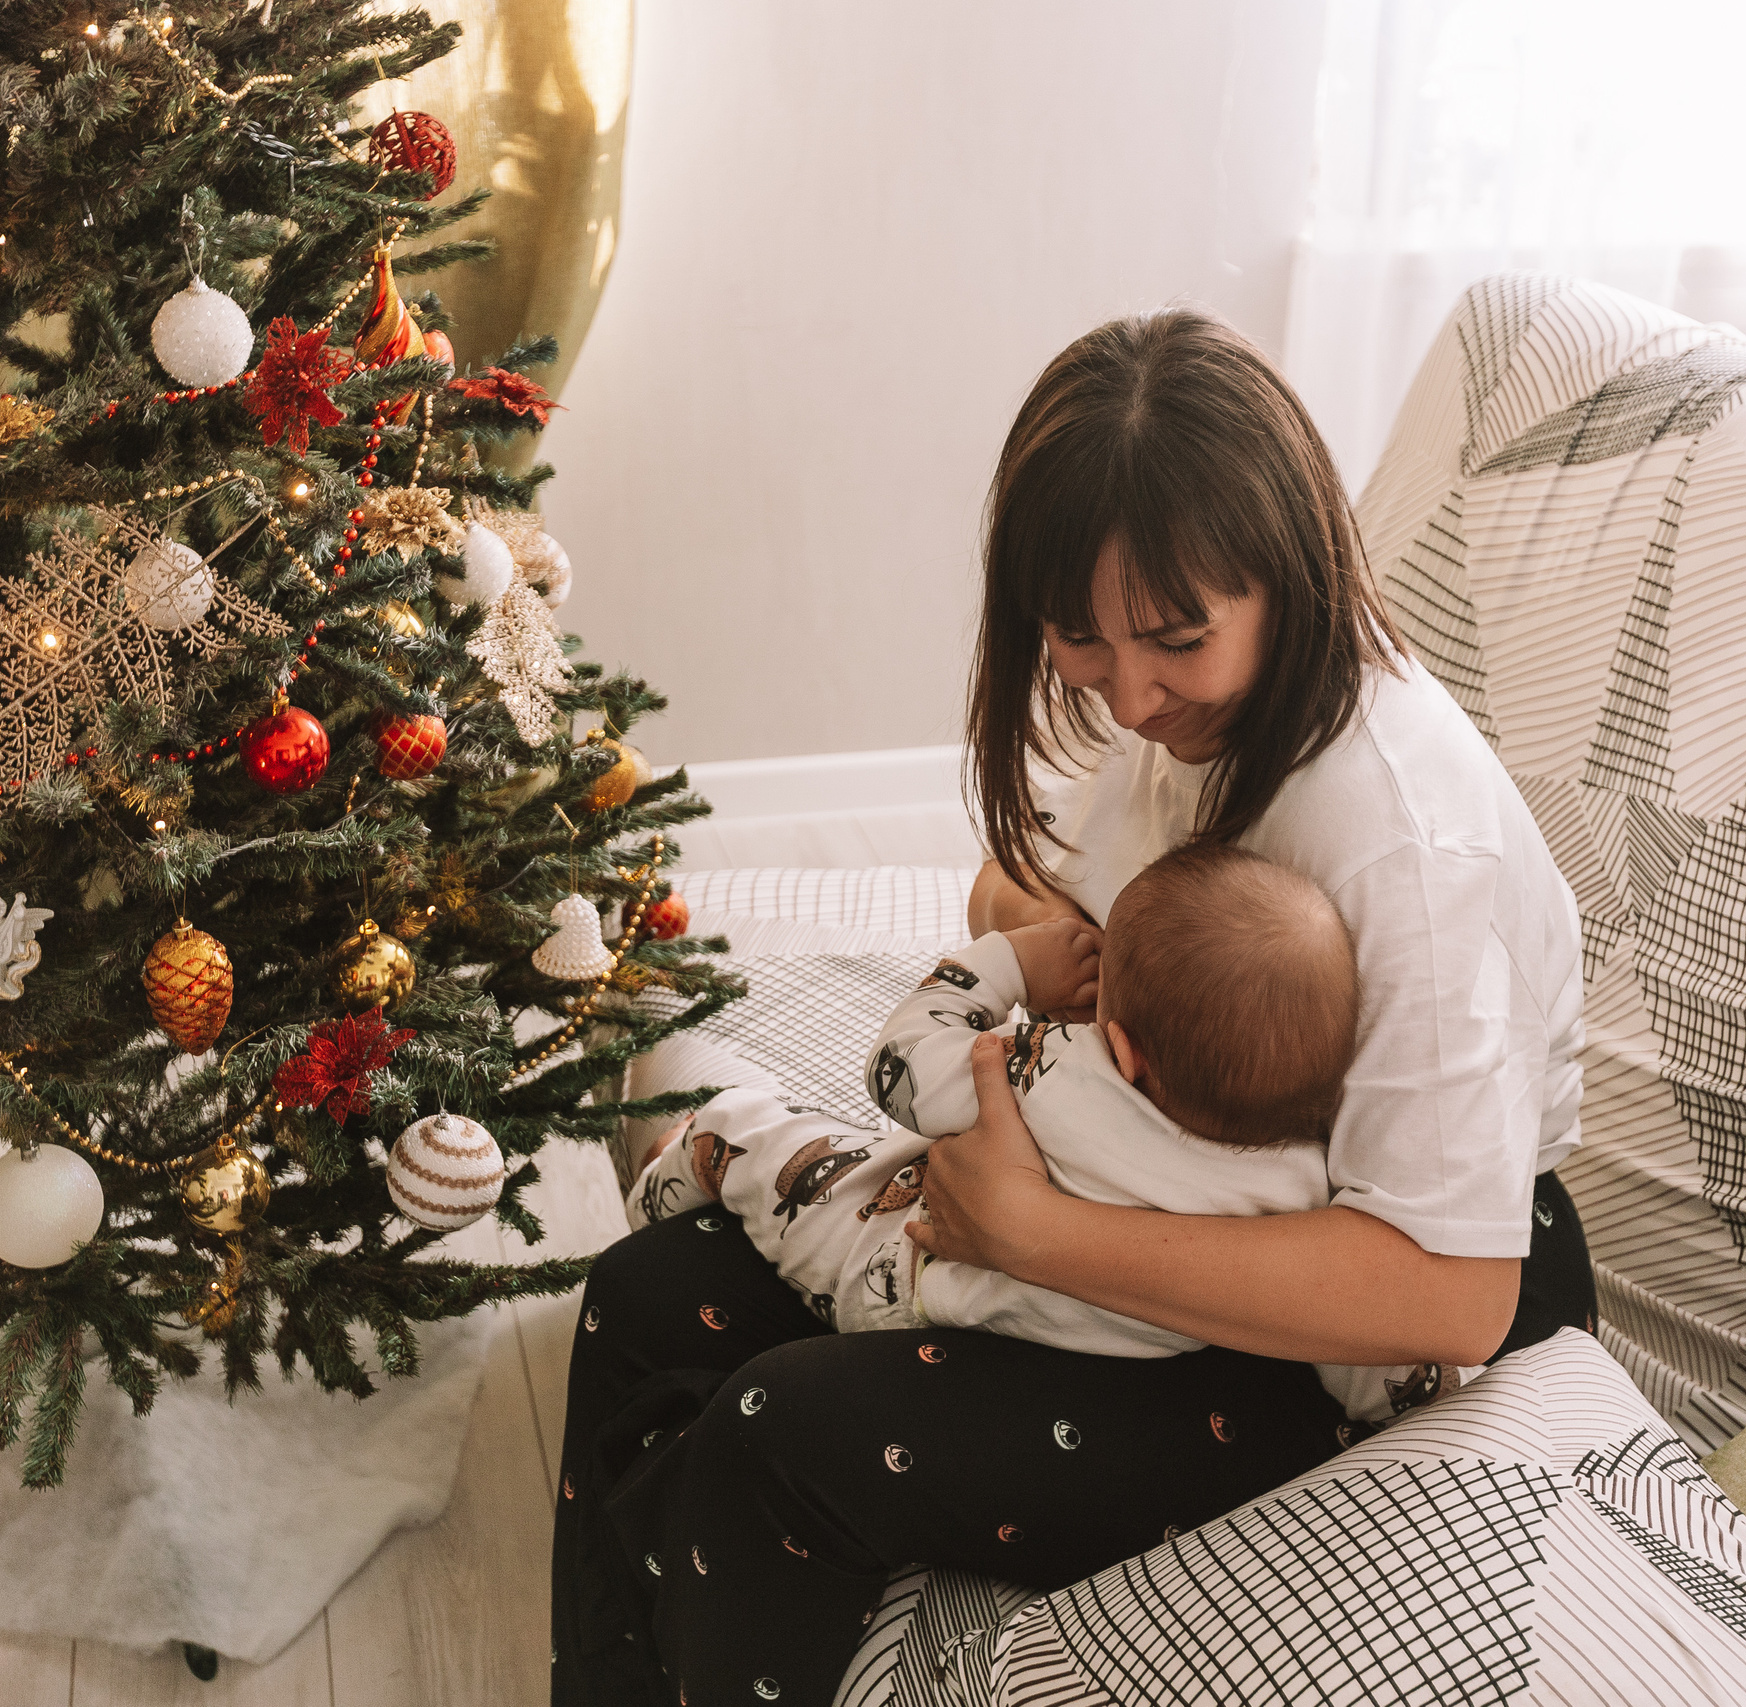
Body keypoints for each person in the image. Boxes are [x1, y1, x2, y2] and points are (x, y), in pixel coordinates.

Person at [550, 308, 1594, 1707]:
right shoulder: (1197, 728)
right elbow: (1067, 904)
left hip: (1352, 1333)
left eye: (1173, 640)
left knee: (770, 1438)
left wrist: (1040, 1227)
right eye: (1080, 644)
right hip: (1167, 1193)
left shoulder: (1414, 850)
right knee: (637, 1296)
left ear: (1285, 573)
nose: (1134, 692)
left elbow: (1454, 1295)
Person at [625, 844, 1474, 1432]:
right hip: (1064, 1361)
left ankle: (677, 1165)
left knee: (763, 1133)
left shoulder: (1055, 1072)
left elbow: (898, 1068)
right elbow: (1365, 1360)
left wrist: (1009, 966)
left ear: (1126, 1052)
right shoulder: (1305, 1192)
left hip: (894, 1279)